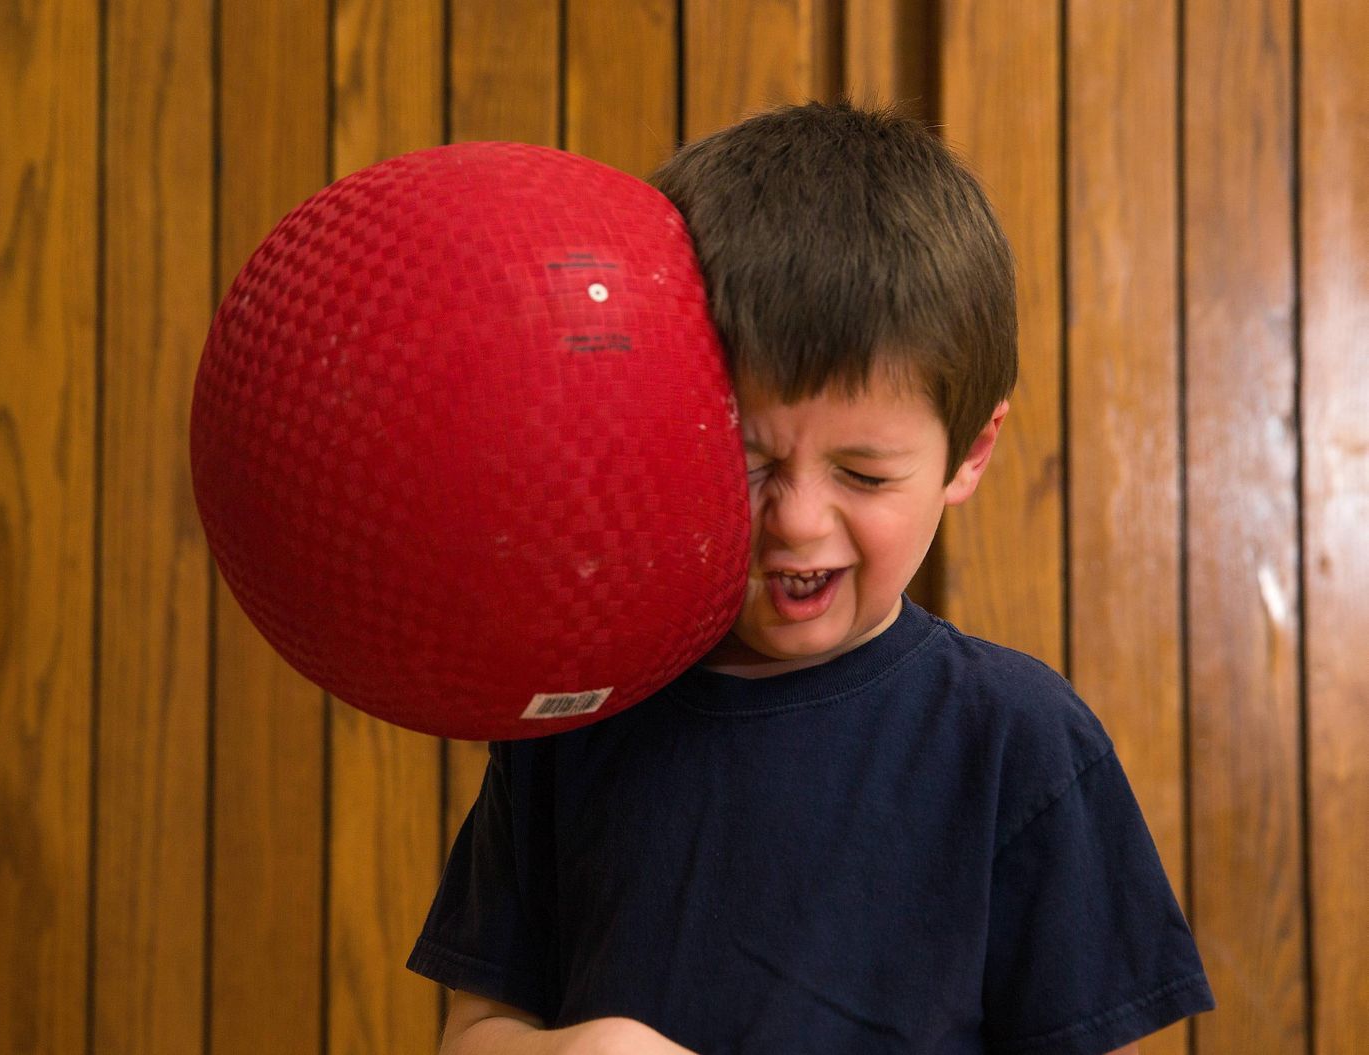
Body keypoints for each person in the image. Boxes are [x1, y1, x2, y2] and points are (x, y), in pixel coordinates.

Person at [406, 100, 1215, 1055]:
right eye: (744, 461)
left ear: (969, 452)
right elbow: (473, 1029)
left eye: (864, 474)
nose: (796, 519)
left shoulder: (1017, 739)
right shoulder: (579, 712)